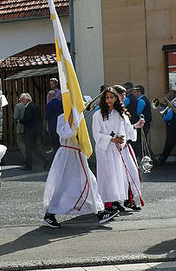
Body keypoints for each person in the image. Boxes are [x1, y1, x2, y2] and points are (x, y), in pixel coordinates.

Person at [42, 110, 113, 227]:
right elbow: (66, 133)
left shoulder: (79, 116)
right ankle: (49, 214)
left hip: (77, 154)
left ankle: (100, 211)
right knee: (62, 186)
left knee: (90, 182)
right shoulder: (62, 117)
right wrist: (71, 118)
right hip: (67, 155)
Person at [91, 86, 142, 215]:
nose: (109, 100)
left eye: (111, 97)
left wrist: (120, 140)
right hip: (104, 149)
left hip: (116, 149)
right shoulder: (98, 114)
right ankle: (106, 204)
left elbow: (122, 131)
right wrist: (110, 139)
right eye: (107, 97)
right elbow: (96, 134)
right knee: (106, 176)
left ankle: (115, 201)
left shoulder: (119, 114)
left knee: (116, 175)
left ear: (115, 99)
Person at [112, 85, 145, 211]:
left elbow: (126, 129)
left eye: (124, 95)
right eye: (121, 95)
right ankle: (115, 201)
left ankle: (128, 199)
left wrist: (136, 126)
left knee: (130, 174)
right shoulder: (112, 111)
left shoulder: (122, 110)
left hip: (125, 148)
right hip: (117, 149)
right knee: (118, 175)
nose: (123, 97)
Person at [20, 93, 46, 170]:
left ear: (26, 99)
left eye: (22, 100)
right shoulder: (35, 106)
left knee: (28, 148)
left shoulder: (29, 107)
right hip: (36, 130)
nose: (21, 101)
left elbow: (28, 119)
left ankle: (28, 165)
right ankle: (45, 160)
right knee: (34, 148)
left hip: (30, 131)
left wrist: (21, 120)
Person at [44, 89, 63, 153]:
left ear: (49, 96)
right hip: (60, 124)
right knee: (59, 141)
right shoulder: (60, 103)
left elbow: (47, 116)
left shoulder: (50, 104)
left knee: (54, 142)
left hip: (52, 125)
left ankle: (55, 155)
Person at [13, 95, 26, 161]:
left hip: (20, 126)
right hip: (28, 127)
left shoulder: (18, 106)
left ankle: (25, 155)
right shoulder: (28, 105)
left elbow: (15, 117)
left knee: (20, 141)